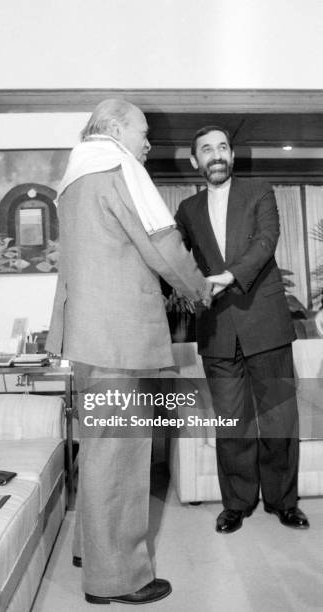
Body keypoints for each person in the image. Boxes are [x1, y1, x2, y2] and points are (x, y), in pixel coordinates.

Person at [46, 99, 212, 605]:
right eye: (142, 132)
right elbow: (162, 246)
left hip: (87, 337)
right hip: (120, 338)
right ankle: (117, 580)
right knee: (120, 457)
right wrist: (201, 288)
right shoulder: (119, 169)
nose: (148, 142)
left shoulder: (74, 176)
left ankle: (89, 551)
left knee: (99, 450)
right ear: (115, 129)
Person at [175, 125, 310, 534]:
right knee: (231, 422)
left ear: (231, 156)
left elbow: (266, 240)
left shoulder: (260, 192)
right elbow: (176, 260)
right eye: (206, 150)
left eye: (222, 148)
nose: (216, 155)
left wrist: (229, 275)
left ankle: (284, 501)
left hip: (265, 322)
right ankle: (236, 503)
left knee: (278, 418)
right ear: (195, 161)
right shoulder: (186, 210)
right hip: (216, 328)